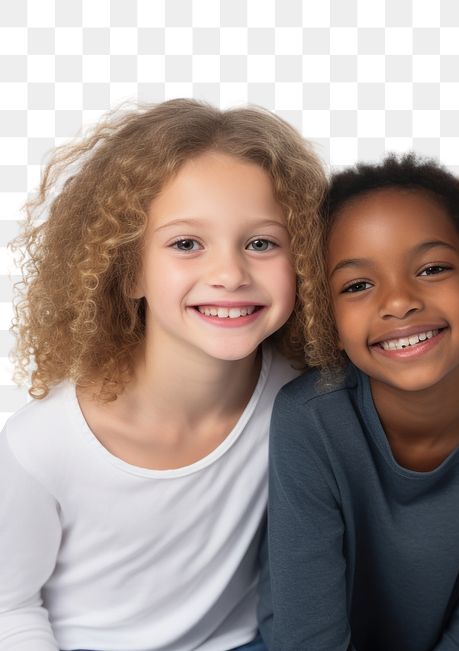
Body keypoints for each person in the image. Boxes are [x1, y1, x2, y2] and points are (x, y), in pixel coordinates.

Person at [0, 99, 327, 651]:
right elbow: (10, 608)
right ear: (128, 272)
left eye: (262, 243)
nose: (229, 273)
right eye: (186, 244)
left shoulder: (302, 397)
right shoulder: (43, 445)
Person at [258, 154, 459, 651]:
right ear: (328, 323)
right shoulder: (311, 420)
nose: (398, 302)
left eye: (432, 268)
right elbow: (307, 636)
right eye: (357, 285)